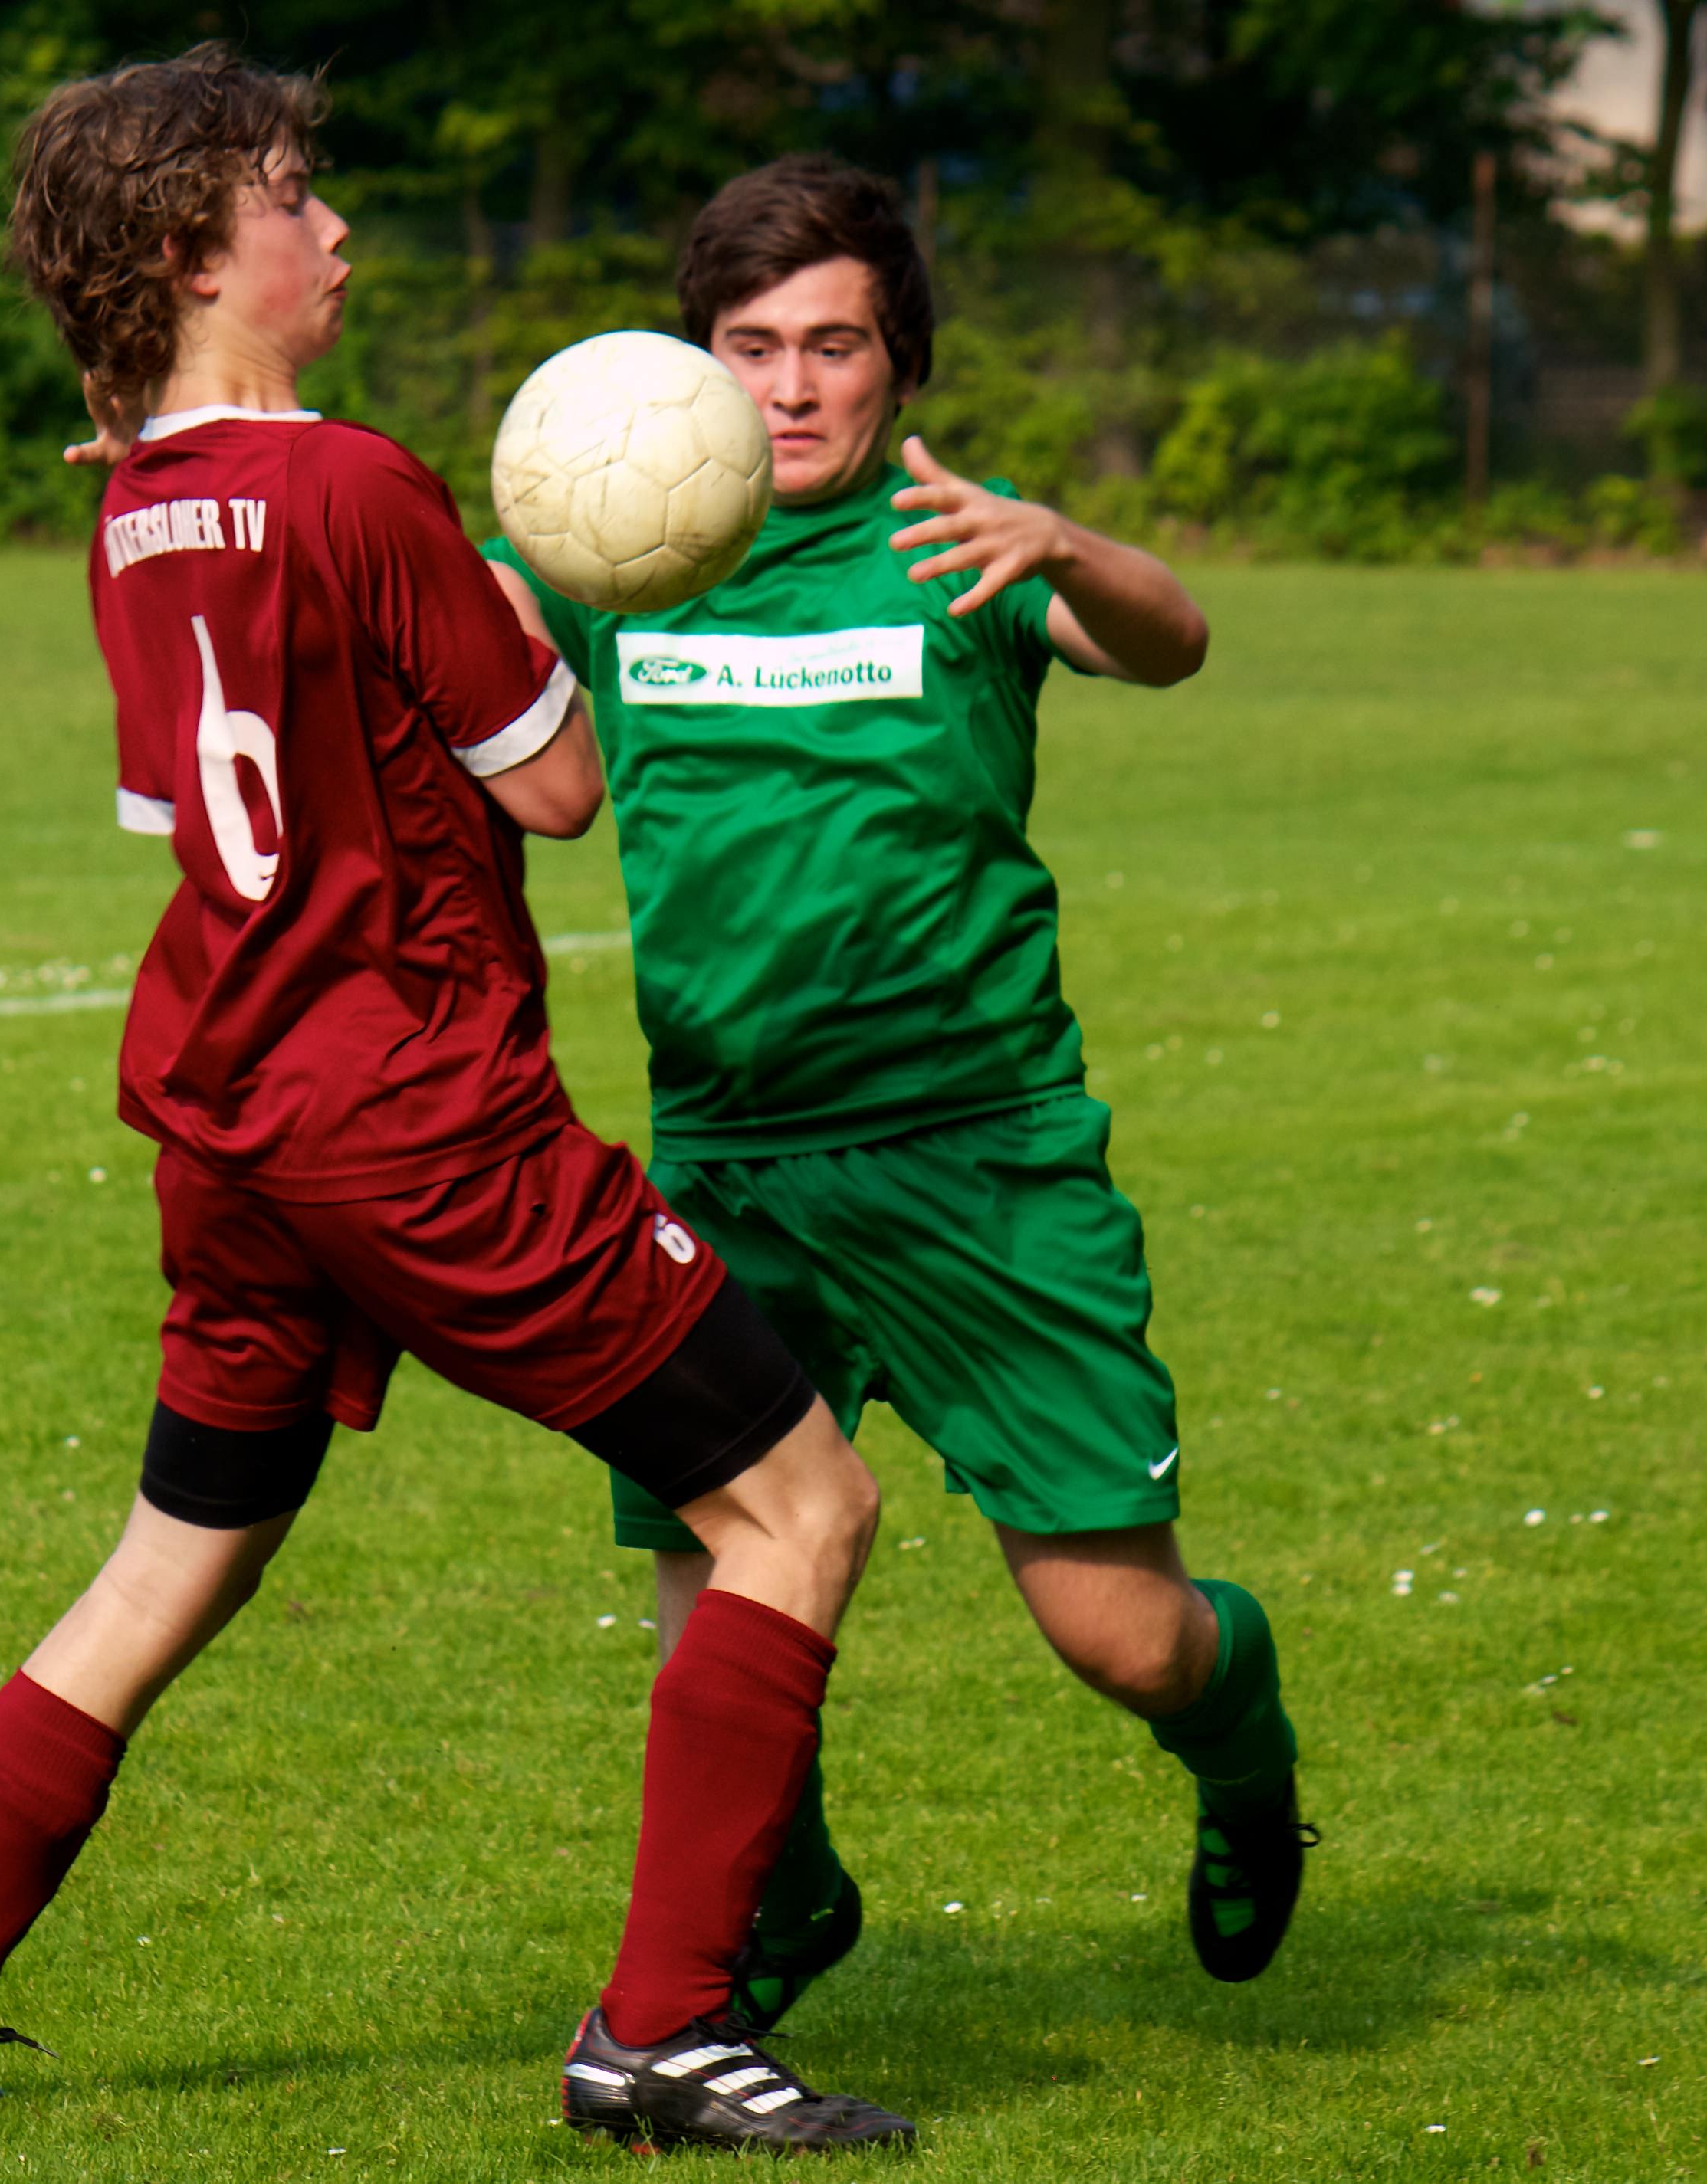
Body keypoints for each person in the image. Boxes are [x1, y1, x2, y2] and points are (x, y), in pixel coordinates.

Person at [0, 50, 914, 2153]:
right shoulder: (359, 487)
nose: (333, 229)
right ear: (188, 251)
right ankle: (664, 2031)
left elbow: (191, 806)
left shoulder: (128, 506)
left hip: (229, 1125)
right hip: (418, 1129)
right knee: (802, 1508)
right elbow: (557, 790)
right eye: (292, 196)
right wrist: (564, 585)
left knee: (170, 1569)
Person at [483, 152, 1313, 2032]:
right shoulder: (620, 550)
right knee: (711, 1631)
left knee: (1122, 1637)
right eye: (750, 344)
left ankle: (1245, 1754)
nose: (788, 387)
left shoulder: (959, 547)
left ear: (900, 367)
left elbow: (1171, 640)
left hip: (978, 1162)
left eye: (833, 346)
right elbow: (402, 611)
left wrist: (1065, 544)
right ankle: (777, 1910)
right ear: (695, 364)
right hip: (726, 1174)